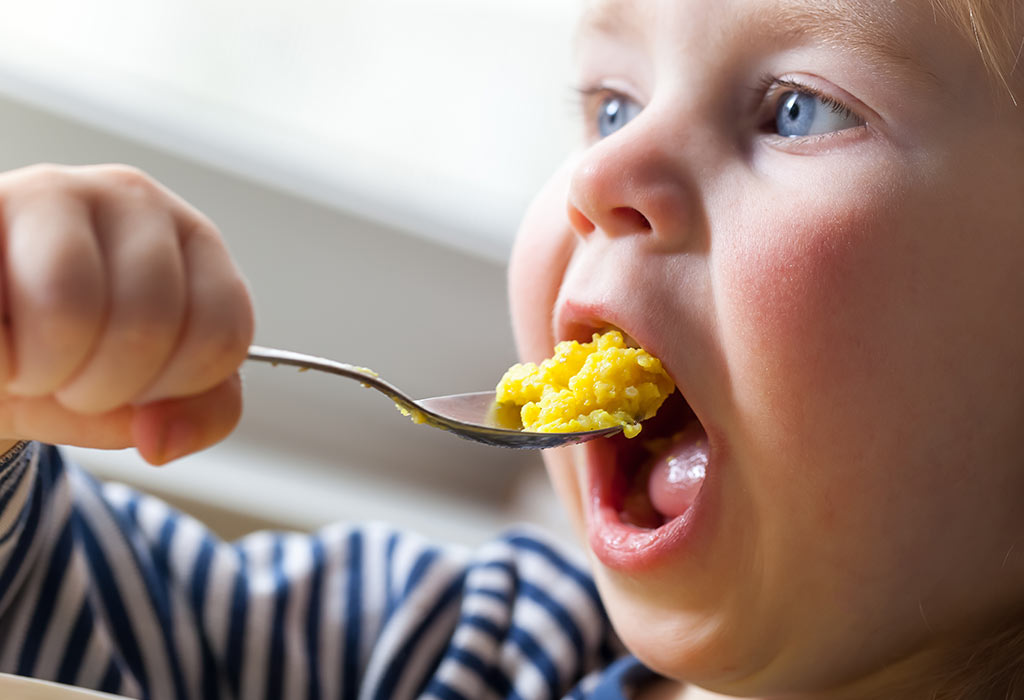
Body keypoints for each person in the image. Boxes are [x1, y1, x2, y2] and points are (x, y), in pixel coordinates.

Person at [0, 0, 1022, 697]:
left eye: (797, 110)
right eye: (609, 104)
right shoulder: (483, 653)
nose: (602, 170)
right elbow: (55, 614)